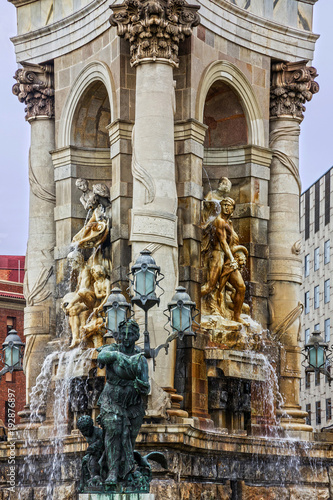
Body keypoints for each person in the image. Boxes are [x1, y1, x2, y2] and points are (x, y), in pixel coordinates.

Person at [97, 320, 150, 488]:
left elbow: (146, 386)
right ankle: (112, 472)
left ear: (136, 336)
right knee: (114, 431)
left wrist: (142, 386)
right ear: (118, 335)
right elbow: (101, 356)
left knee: (129, 437)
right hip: (111, 399)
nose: (126, 338)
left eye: (130, 335)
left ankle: (127, 470)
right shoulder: (112, 349)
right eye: (123, 334)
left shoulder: (140, 357)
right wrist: (119, 357)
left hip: (133, 403)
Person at [201, 197, 246, 322]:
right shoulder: (219, 221)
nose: (227, 207)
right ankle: (188, 302)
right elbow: (223, 243)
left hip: (228, 258)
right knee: (209, 287)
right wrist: (232, 259)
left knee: (241, 287)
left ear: (233, 209)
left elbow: (231, 244)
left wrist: (237, 256)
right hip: (218, 256)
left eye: (229, 205)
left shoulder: (229, 223)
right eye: (225, 204)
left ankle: (236, 316)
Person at [77, 415, 104, 490]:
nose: (84, 433)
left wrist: (94, 446)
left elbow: (103, 444)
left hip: (102, 455)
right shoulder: (87, 435)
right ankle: (83, 483)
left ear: (91, 427)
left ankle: (95, 477)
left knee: (92, 461)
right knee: (85, 460)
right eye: (82, 432)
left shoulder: (98, 432)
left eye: (86, 431)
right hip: (93, 454)